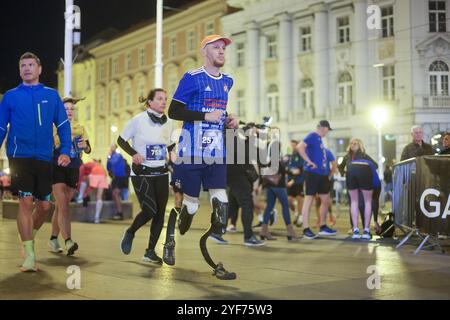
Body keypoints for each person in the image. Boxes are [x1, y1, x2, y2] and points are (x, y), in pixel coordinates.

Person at [167, 34, 238, 280]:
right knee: (193, 203)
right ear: (205, 51)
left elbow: (220, 111)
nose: (221, 52)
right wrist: (204, 116)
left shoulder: (228, 81)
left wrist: (229, 119)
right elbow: (173, 110)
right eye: (216, 48)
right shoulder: (192, 78)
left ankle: (216, 229)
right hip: (192, 150)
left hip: (216, 150)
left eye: (223, 48)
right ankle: (183, 218)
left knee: (221, 197)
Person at [0, 52, 71, 271]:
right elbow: (1, 127)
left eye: (31, 65)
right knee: (25, 201)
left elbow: (62, 125)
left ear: (39, 69)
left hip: (43, 157)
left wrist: (66, 150)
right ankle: (29, 254)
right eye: (23, 65)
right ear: (19, 70)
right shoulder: (10, 96)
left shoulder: (51, 95)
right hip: (19, 157)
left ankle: (28, 235)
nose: (27, 68)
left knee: (44, 206)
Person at [119, 88, 176, 265]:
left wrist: (173, 160)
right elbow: (121, 140)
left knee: (160, 214)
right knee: (150, 210)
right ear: (149, 102)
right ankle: (130, 232)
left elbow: (170, 146)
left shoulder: (169, 123)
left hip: (161, 172)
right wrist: (134, 153)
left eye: (165, 99)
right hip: (142, 172)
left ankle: (150, 251)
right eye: (159, 99)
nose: (163, 102)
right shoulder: (138, 120)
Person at [49, 96, 91, 255]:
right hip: (57, 167)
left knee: (61, 206)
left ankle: (53, 238)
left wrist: (85, 146)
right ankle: (68, 241)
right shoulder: (53, 127)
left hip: (73, 168)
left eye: (71, 109)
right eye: (66, 109)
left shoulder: (80, 127)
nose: (69, 112)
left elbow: (87, 149)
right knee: (63, 206)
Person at [296, 120, 337, 239]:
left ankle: (323, 226)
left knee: (325, 200)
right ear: (324, 128)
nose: (327, 133)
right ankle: (306, 228)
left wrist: (327, 175)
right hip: (312, 173)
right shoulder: (313, 135)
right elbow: (300, 147)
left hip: (322, 174)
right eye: (327, 130)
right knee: (309, 199)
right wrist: (309, 162)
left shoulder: (319, 140)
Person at [226, 124, 265, 246]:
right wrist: (255, 181)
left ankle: (216, 231)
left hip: (236, 178)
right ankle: (248, 237)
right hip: (239, 177)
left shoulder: (243, 142)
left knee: (232, 207)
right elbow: (250, 164)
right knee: (247, 205)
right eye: (253, 133)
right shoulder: (238, 141)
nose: (255, 135)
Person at [259, 133, 300, 241]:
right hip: (279, 185)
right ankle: (290, 231)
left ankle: (264, 230)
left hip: (270, 185)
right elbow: (280, 170)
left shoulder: (268, 158)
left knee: (269, 207)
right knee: (285, 206)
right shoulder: (276, 158)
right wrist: (291, 171)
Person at [338, 138, 379, 237]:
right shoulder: (346, 156)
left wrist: (367, 172)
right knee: (354, 203)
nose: (353, 145)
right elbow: (340, 167)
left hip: (363, 181)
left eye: (355, 143)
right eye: (351, 143)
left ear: (360, 145)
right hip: (351, 180)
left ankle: (365, 228)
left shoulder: (364, 155)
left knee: (363, 204)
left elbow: (375, 165)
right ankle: (354, 228)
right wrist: (344, 173)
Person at [107, 144, 128, 220]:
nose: (111, 148)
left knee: (115, 193)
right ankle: (118, 212)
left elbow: (113, 162)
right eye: (110, 146)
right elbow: (108, 167)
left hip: (121, 177)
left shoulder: (118, 155)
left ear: (115, 148)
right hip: (116, 177)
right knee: (114, 194)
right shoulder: (111, 156)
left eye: (113, 147)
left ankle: (120, 213)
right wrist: (109, 157)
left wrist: (109, 156)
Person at [287, 140, 305, 227]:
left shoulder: (301, 155)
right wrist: (290, 171)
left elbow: (299, 170)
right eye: (292, 145)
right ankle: (295, 212)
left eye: (294, 145)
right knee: (289, 200)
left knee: (299, 199)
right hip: (290, 181)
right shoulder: (289, 156)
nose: (293, 147)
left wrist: (293, 179)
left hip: (298, 181)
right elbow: (287, 168)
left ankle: (301, 217)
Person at [88, 159, 108, 223]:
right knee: (99, 197)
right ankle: (97, 217)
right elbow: (105, 174)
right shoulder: (102, 166)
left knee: (92, 192)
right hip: (102, 176)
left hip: (94, 175)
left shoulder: (92, 164)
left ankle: (81, 197)